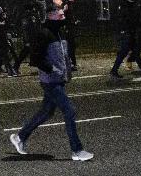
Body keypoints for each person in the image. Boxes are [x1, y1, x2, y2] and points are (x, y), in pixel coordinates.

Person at [9, 11, 94, 162]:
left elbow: (64, 55)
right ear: (50, 17)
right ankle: (77, 150)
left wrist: (67, 73)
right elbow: (35, 59)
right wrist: (52, 69)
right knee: (69, 110)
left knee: (46, 112)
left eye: (63, 15)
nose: (63, 18)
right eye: (60, 16)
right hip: (50, 81)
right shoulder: (44, 34)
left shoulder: (60, 33)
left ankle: (19, 137)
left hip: (59, 80)